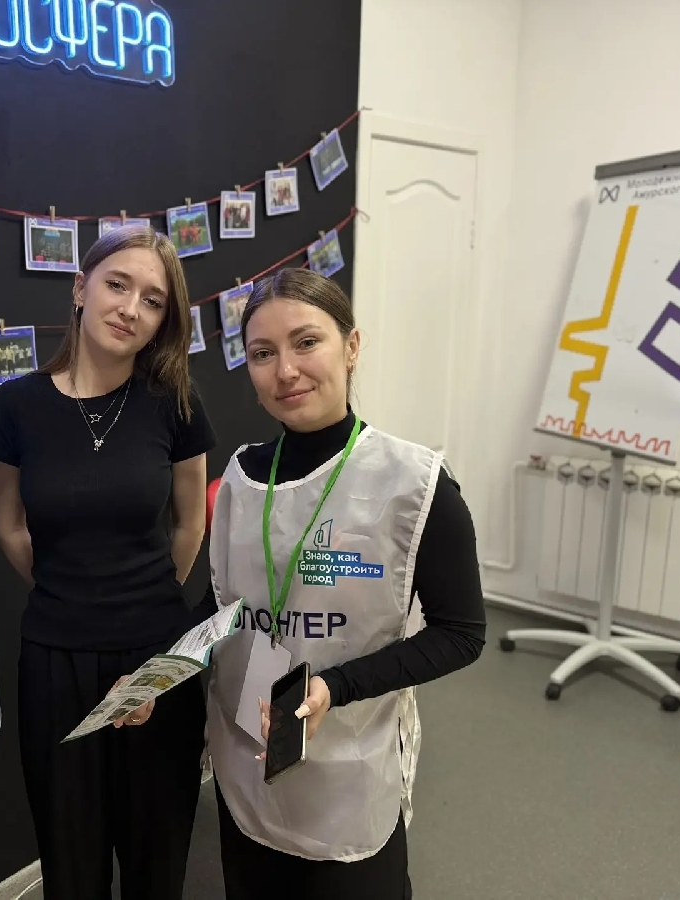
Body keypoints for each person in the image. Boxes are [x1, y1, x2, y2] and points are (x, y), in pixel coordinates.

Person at [201, 269, 486, 899]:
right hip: (247, 756)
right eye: (262, 353)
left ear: (351, 346)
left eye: (307, 342)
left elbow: (461, 635)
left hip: (350, 766)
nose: (286, 371)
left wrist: (338, 685)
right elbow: (222, 606)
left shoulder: (415, 485)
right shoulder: (240, 478)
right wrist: (157, 672)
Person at [0, 225, 217, 900]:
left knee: (156, 857)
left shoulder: (174, 401)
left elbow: (191, 521)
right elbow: (8, 522)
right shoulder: (19, 404)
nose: (131, 309)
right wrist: (68, 591)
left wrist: (145, 605)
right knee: (70, 860)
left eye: (153, 300)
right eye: (118, 284)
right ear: (81, 288)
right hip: (53, 660)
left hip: (156, 661)